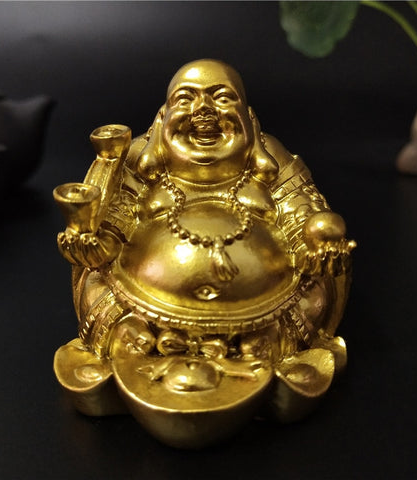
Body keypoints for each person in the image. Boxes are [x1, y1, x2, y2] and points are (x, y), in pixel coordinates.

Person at [54, 59, 355, 444]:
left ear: (249, 118)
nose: (204, 111)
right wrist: (90, 243)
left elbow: (304, 211)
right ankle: (141, 344)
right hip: (142, 301)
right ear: (162, 118)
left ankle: (261, 349)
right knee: (100, 287)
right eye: (186, 98)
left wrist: (320, 240)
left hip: (265, 306)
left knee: (312, 296)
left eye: (222, 97)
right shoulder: (136, 159)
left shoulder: (270, 156)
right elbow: (112, 225)